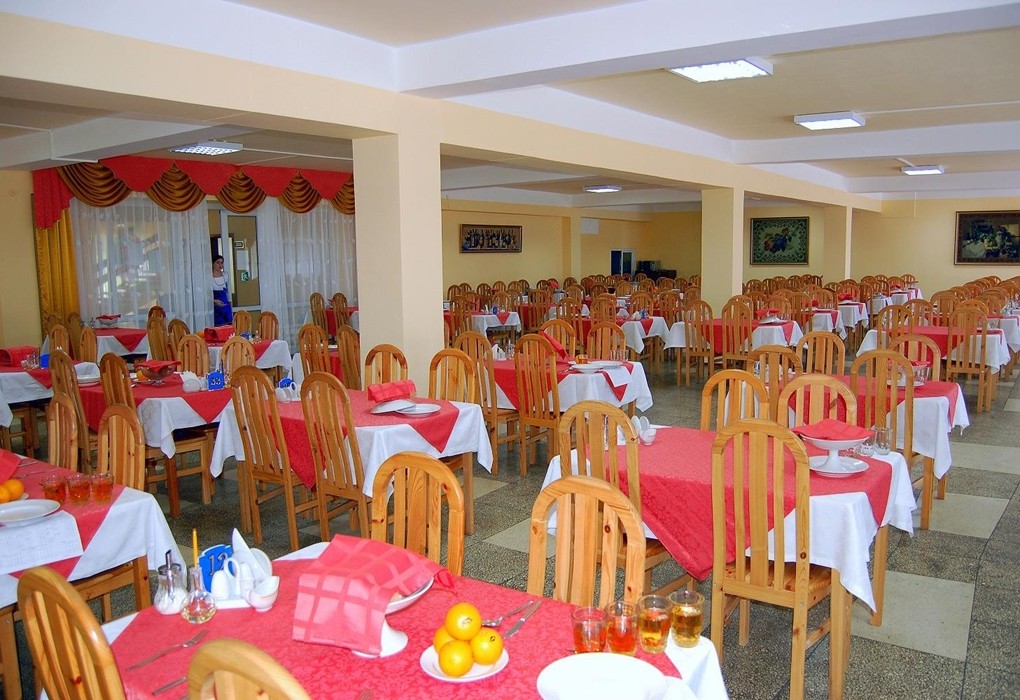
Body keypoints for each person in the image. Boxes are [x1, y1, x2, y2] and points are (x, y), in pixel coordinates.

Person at [212, 255, 233, 325]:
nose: (220, 265)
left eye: (222, 262)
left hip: (225, 306)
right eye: (218, 262)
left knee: (228, 325)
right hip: (215, 307)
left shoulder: (225, 275)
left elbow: (228, 291)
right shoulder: (209, 277)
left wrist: (230, 305)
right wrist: (214, 301)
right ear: (213, 263)